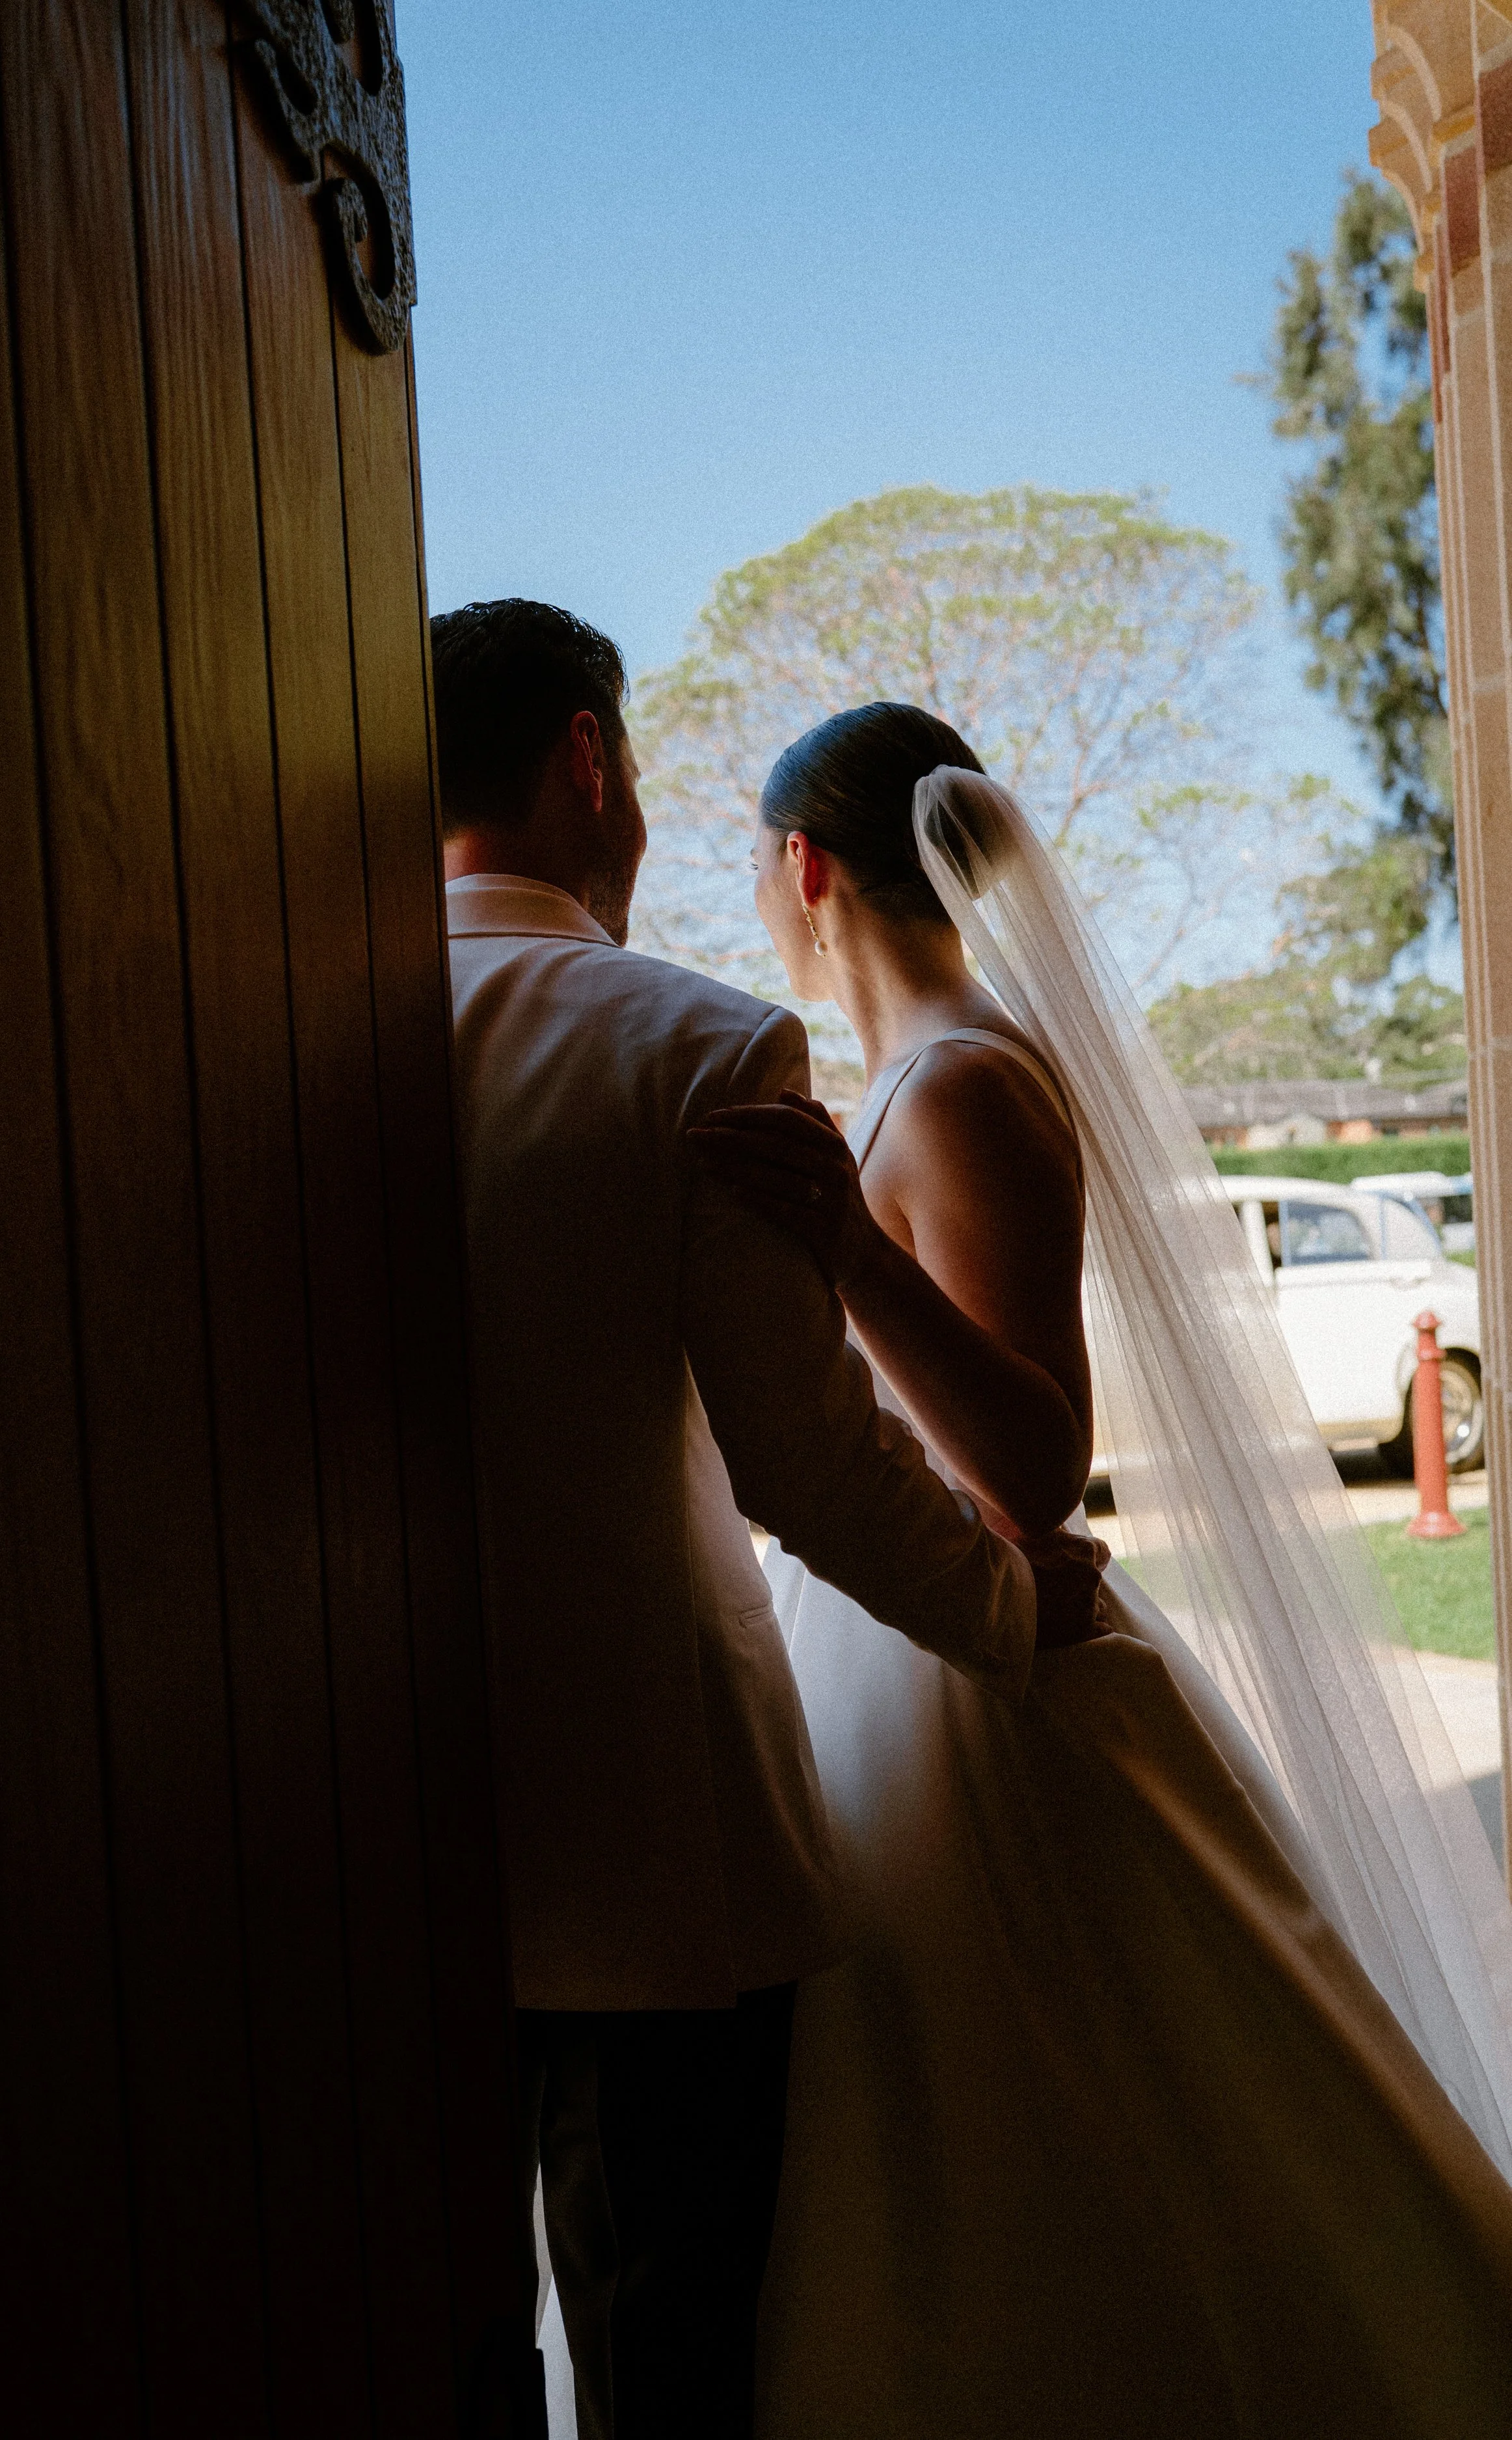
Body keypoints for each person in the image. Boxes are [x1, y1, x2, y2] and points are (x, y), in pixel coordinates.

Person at [683, 702, 1512, 2437]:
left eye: (760, 879)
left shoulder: (964, 1080)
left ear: (803, 868)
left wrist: (842, 1247)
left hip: (984, 1670)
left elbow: (1036, 1458)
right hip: (912, 1642)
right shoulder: (927, 1075)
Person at [429, 609, 1100, 2440]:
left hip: (343, 1846)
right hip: (657, 1838)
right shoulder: (695, 1042)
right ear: (588, 762)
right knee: (667, 2351)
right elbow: (805, 1462)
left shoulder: (255, 1032)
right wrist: (1009, 1606)